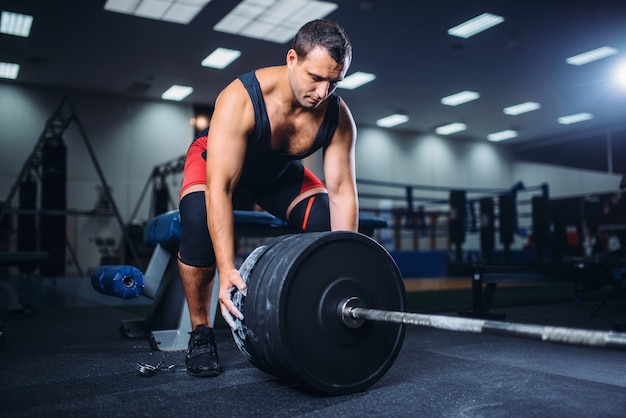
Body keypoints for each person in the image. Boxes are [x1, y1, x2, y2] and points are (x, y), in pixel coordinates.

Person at [177, 19, 358, 377]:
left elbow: (341, 193)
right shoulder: (240, 98)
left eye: (334, 82)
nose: (323, 92)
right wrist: (228, 268)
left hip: (275, 174)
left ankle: (311, 317)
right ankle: (200, 332)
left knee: (326, 222)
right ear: (292, 58)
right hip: (216, 163)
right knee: (198, 218)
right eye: (315, 77)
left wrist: (347, 267)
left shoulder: (338, 117)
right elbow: (222, 189)